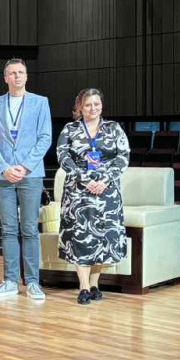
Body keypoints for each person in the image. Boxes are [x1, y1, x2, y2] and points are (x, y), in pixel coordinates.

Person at [0, 57, 53, 301]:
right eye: (12, 73)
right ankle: (10, 281)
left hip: (30, 173)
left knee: (30, 229)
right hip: (3, 175)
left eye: (21, 72)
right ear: (5, 78)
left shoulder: (40, 102)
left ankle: (33, 282)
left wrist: (24, 166)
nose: (17, 76)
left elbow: (45, 138)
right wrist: (4, 167)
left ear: (26, 76)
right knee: (8, 229)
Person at [58, 87, 130, 304]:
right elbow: (63, 157)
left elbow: (123, 156)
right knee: (80, 239)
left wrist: (105, 180)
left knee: (103, 238)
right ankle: (83, 287)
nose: (93, 108)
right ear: (80, 107)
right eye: (88, 105)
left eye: (96, 104)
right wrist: (85, 180)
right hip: (78, 192)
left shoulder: (113, 128)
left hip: (107, 192)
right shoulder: (70, 129)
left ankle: (95, 284)